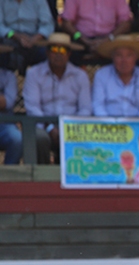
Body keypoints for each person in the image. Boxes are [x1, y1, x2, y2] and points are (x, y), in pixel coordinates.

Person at [23, 33, 91, 164]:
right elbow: (32, 107)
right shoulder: (33, 73)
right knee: (39, 138)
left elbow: (85, 109)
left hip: (73, 127)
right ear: (47, 52)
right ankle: (41, 177)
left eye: (63, 50)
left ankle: (72, 177)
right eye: (54, 49)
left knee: (82, 138)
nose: (58, 54)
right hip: (43, 125)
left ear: (69, 54)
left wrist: (68, 129)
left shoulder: (80, 75)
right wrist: (50, 129)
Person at [92, 34, 139, 117]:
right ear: (113, 57)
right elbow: (98, 106)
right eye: (119, 55)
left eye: (129, 55)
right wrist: (111, 125)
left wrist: (136, 126)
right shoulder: (101, 75)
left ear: (135, 57)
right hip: (108, 126)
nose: (124, 61)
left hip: (138, 126)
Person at [60, 0, 133, 65]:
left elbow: (126, 23)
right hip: (80, 39)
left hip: (110, 39)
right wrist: (84, 40)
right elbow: (66, 23)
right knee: (69, 52)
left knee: (121, 54)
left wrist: (108, 39)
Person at [0, 0, 54, 73]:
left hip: (35, 38)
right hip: (9, 37)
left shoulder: (39, 1)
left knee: (47, 55)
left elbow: (48, 24)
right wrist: (15, 35)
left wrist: (35, 38)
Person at [0, 44, 21, 164]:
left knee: (16, 138)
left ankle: (10, 175)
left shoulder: (8, 75)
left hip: (3, 124)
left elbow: (7, 102)